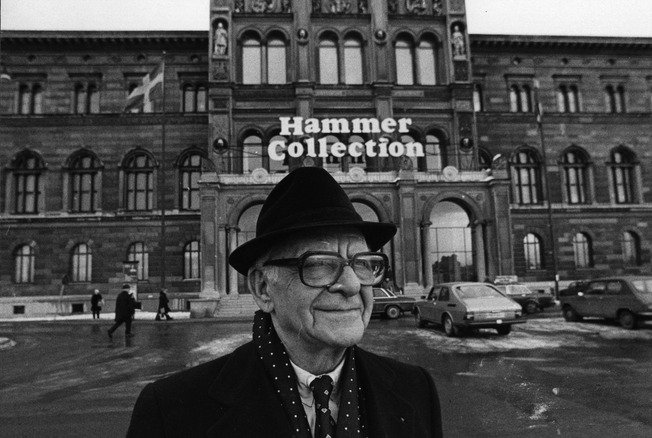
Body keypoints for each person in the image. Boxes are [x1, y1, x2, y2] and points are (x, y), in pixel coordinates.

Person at [127, 167, 442, 437]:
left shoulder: (415, 390)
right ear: (264, 287)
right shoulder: (172, 412)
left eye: (362, 262)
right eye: (319, 263)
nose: (351, 284)